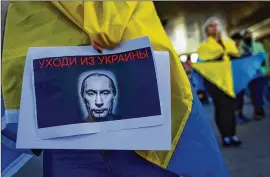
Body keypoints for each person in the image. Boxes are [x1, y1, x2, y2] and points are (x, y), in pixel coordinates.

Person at [198, 17, 242, 147]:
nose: (214, 27)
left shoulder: (228, 42)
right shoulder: (204, 46)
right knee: (221, 107)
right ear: (206, 30)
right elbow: (204, 60)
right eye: (210, 26)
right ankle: (225, 136)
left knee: (230, 107)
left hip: (228, 80)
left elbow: (236, 55)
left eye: (216, 25)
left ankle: (233, 134)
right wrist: (220, 54)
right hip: (214, 81)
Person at [231, 32, 250, 122]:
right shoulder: (230, 51)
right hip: (233, 79)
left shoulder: (240, 49)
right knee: (236, 98)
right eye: (238, 40)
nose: (239, 42)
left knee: (240, 97)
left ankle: (240, 114)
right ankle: (236, 116)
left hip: (240, 77)